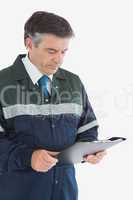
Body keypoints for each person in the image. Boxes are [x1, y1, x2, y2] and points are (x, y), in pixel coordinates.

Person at [0, 11, 106, 200]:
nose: (59, 59)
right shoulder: (2, 84)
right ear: (29, 44)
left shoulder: (73, 82)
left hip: (64, 192)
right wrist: (29, 157)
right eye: (52, 51)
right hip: (18, 193)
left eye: (63, 51)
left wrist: (90, 150)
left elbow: (87, 127)